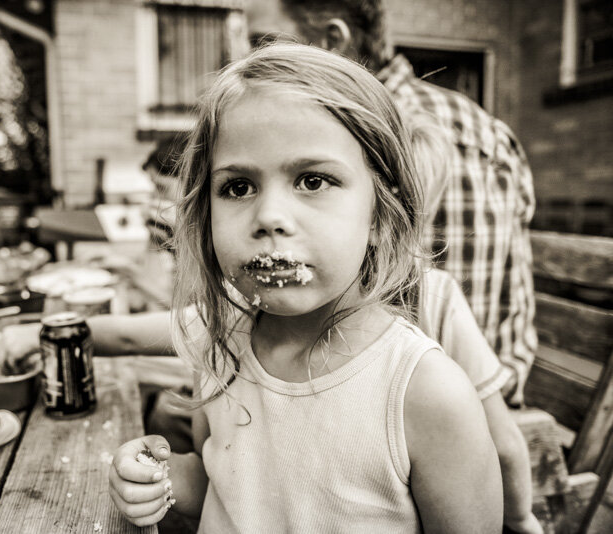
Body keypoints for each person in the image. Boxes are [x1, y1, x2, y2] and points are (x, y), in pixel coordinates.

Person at [107, 43, 502, 531]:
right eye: (238, 187)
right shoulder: (221, 351)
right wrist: (161, 480)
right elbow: (228, 490)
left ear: (380, 214)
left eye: (313, 181)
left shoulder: (426, 394)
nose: (269, 216)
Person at [244, 0, 537, 412]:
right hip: (499, 385)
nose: (249, 64)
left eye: (264, 45)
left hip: (417, 408)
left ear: (332, 41)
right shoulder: (489, 129)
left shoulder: (368, 136)